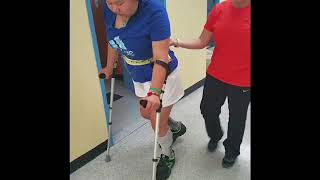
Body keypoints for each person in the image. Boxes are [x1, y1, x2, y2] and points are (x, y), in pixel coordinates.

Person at [100, 0, 186, 178]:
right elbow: (113, 40)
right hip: (138, 74)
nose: (115, 8)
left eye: (120, 3)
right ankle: (175, 127)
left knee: (156, 122)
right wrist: (109, 67)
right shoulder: (110, 11)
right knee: (146, 114)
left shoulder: (155, 12)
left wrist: (154, 92)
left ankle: (167, 153)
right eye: (110, 3)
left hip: (161, 75)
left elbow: (161, 57)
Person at [170, 0, 250, 168]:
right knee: (207, 109)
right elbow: (202, 41)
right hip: (216, 74)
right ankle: (215, 134)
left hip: (244, 80)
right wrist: (177, 42)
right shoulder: (220, 9)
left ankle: (232, 150)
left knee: (237, 118)